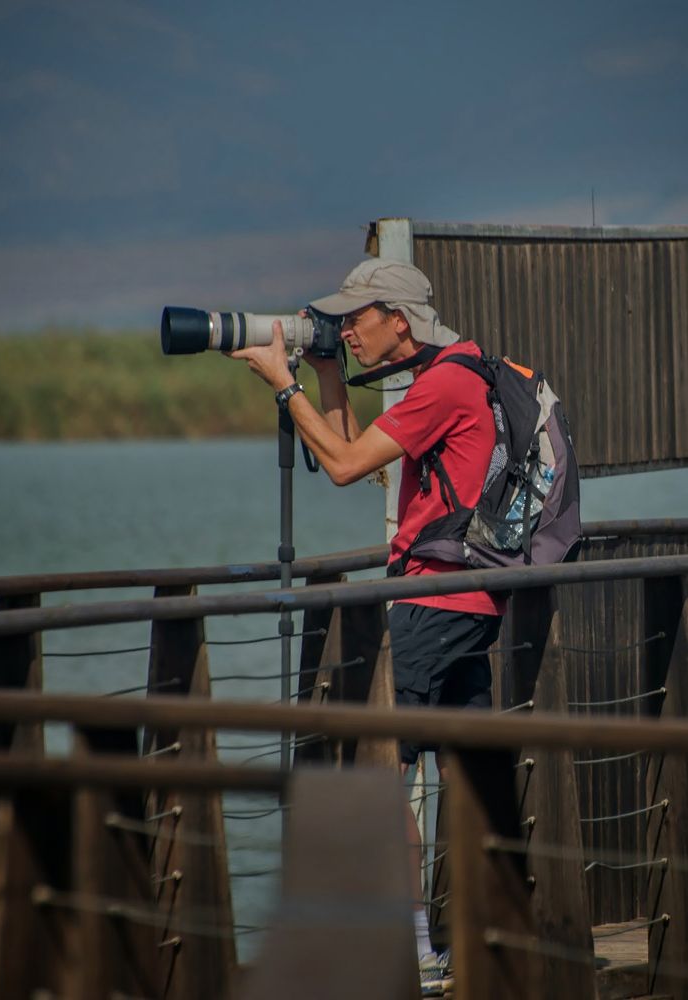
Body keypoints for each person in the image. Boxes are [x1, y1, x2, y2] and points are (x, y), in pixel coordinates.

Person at [228, 257, 505, 996]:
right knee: (469, 773)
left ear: (400, 321)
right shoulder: (455, 372)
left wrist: (281, 385)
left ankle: (412, 951)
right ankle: (497, 934)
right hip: (468, 600)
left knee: (385, 773)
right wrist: (321, 374)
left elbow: (346, 466)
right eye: (341, 318)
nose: (345, 327)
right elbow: (375, 460)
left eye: (357, 317)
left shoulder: (442, 385)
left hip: (431, 603)